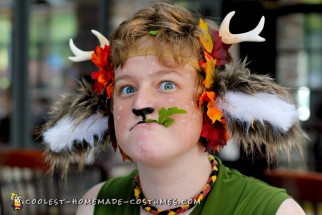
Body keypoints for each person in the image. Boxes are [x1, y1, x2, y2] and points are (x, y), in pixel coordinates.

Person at [41, 2, 308, 214]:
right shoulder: (94, 206)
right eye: (127, 88)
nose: (140, 104)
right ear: (107, 112)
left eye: (167, 84)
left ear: (214, 102)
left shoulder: (272, 212)